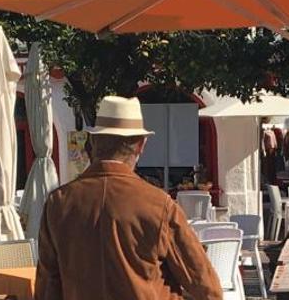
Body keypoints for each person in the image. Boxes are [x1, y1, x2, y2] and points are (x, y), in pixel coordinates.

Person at [36, 96, 222, 300]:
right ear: (141, 145)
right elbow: (205, 286)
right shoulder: (158, 204)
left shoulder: (59, 203)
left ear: (93, 142)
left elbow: (47, 287)